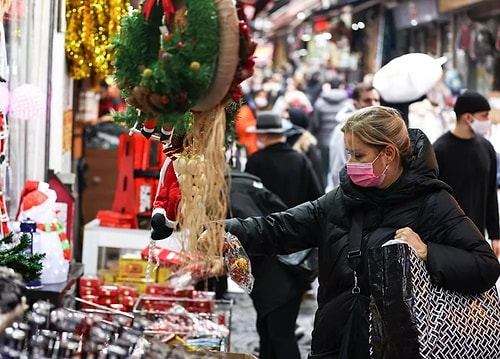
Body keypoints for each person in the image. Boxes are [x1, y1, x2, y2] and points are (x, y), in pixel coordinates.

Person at [210, 106, 500, 359]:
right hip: (335, 344)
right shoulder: (340, 199)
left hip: (401, 349)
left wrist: (428, 252)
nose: (352, 163)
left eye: (359, 155)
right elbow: (281, 227)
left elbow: (485, 265)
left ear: (388, 153)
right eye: (349, 153)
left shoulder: (433, 202)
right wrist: (226, 230)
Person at [228, 165, 307, 359]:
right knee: (268, 332)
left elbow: (254, 235)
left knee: (281, 336)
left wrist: (223, 265)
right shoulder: (240, 181)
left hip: (280, 276)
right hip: (281, 272)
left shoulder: (234, 194)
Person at [433, 90, 500, 257]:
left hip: (478, 237)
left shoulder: (486, 148)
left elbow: (491, 194)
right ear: (468, 117)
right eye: (484, 116)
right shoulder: (439, 150)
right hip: (447, 239)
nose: (488, 121)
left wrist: (495, 235)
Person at [246, 111, 324, 208]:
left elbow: (248, 197)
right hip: (297, 219)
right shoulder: (300, 159)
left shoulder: (255, 161)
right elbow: (316, 195)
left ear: (262, 135)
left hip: (265, 221)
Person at [326, 83, 380, 191]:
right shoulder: (345, 130)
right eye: (367, 100)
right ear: (355, 104)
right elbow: (338, 167)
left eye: (376, 100)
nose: (373, 104)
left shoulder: (374, 128)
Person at [310, 77, 349, 188]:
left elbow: (315, 123)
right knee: (338, 168)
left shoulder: (320, 102)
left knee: (324, 169)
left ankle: (324, 191)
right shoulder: (346, 103)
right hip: (341, 140)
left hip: (324, 141)